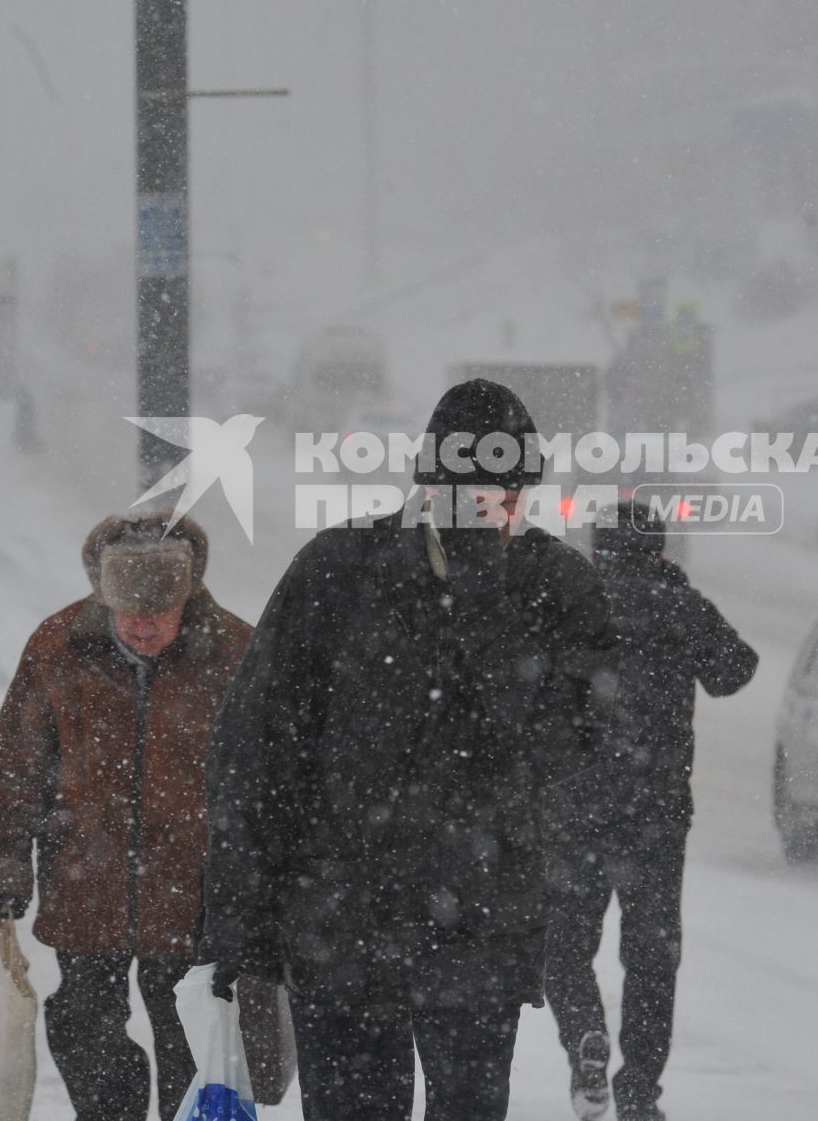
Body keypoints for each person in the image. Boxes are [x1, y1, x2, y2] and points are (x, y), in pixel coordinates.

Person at [201, 379, 618, 1121]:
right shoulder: (338, 571)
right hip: (342, 927)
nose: (501, 510)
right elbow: (256, 755)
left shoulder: (558, 590)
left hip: (483, 930)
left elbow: (595, 768)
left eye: (514, 490)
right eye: (483, 489)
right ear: (431, 481)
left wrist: (558, 902)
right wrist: (245, 923)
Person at [0, 513, 253, 1121]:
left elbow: (268, 779)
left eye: (158, 613)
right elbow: (17, 760)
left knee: (190, 1036)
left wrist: (263, 877)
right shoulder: (60, 645)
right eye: (129, 611)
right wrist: (2, 858)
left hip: (193, 890)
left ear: (187, 597)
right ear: (104, 594)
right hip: (85, 879)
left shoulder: (234, 652)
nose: (142, 626)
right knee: (84, 1026)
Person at [543, 500, 758, 1121]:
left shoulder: (565, 607)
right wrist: (678, 607)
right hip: (655, 813)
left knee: (563, 945)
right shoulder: (678, 605)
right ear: (658, 548)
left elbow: (518, 685)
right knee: (651, 956)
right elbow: (734, 671)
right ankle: (639, 1091)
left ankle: (583, 1036)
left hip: (573, 809)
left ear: (596, 549)